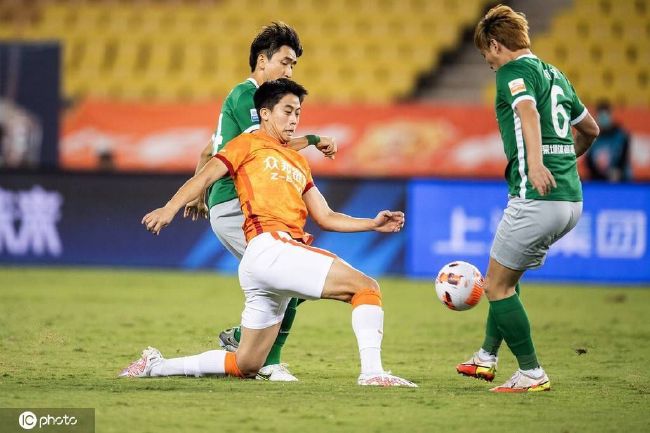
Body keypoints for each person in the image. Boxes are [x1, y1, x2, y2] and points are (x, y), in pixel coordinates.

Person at [120, 78, 416, 387]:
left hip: (263, 263)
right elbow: (206, 175)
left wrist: (371, 223)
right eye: (286, 111)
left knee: (246, 363)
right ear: (264, 113)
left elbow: (326, 216)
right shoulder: (246, 145)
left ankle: (154, 366)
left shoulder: (298, 160)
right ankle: (372, 374)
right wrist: (169, 209)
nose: (293, 119)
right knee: (366, 287)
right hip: (270, 246)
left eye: (298, 113)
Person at [456, 4, 600, 392]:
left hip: (535, 197)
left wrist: (536, 164)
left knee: (496, 286)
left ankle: (532, 372)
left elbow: (527, 111)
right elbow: (590, 129)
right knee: (506, 276)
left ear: (495, 44)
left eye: (485, 53)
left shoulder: (512, 72)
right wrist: (563, 159)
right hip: (570, 201)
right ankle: (486, 358)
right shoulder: (555, 74)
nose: (487, 61)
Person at [184, 22, 337, 381]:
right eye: (284, 62)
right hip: (236, 206)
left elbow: (209, 147)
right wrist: (313, 138)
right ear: (262, 61)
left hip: (236, 206)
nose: (288, 70)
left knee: (288, 281)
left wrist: (198, 193)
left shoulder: (245, 100)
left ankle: (243, 341)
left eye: (293, 66)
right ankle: (266, 360)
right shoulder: (246, 95)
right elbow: (268, 146)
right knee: (291, 279)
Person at [585, 100, 632, 182]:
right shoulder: (592, 136)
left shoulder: (621, 135)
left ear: (610, 115)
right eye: (601, 116)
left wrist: (617, 172)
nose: (603, 119)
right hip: (598, 182)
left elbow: (624, 157)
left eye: (605, 115)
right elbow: (589, 160)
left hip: (622, 181)